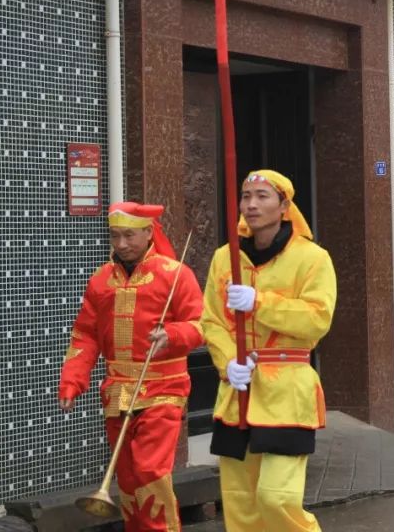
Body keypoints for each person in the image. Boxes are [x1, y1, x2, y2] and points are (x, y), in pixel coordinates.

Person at [201, 170, 336, 531]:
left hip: (287, 393)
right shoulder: (224, 259)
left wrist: (260, 302)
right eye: (246, 196)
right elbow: (211, 320)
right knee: (241, 505)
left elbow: (317, 319)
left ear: (284, 205)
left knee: (276, 498)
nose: (251, 204)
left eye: (262, 196)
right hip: (237, 392)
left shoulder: (313, 258)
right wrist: (228, 362)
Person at [59, 202, 203, 531]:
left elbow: (201, 325)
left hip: (164, 388)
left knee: (150, 471)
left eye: (129, 235)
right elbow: (85, 334)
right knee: (125, 476)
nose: (121, 244)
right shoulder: (100, 280)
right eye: (114, 236)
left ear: (148, 232)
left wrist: (172, 334)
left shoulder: (175, 274)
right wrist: (72, 380)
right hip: (118, 392)